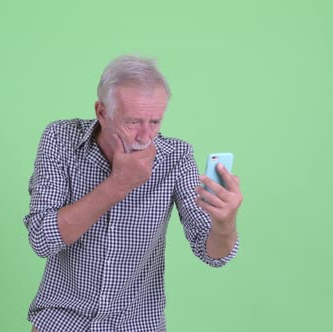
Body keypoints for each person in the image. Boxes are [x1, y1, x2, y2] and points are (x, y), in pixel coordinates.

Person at [23, 55, 243, 332]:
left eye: (155, 122)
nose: (145, 136)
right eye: (133, 122)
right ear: (102, 112)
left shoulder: (176, 157)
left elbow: (212, 254)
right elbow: (42, 239)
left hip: (136, 324)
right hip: (62, 322)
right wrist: (118, 184)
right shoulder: (60, 139)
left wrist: (225, 223)